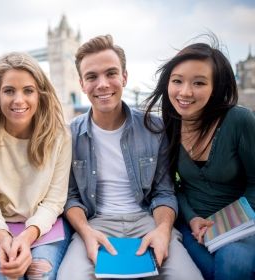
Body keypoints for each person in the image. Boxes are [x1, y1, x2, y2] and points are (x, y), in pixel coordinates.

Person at [57, 35, 203, 280]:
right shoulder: (69, 135)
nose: (102, 84)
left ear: (124, 77)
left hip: (147, 220)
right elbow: (70, 197)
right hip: (95, 223)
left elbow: (163, 192)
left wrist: (163, 230)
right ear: (82, 84)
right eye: (92, 77)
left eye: (111, 73)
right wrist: (85, 231)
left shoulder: (154, 128)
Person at [144, 38, 255, 279]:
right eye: (177, 81)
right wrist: (192, 218)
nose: (185, 92)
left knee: (233, 261)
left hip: (243, 226)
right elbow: (173, 186)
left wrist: (230, 223)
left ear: (216, 87)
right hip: (193, 227)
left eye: (199, 83)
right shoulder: (170, 125)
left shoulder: (239, 121)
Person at [0, 52, 72, 280]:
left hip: (45, 228)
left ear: (40, 95)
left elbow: (54, 202)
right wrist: (4, 238)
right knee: (4, 276)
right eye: (9, 91)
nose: (18, 100)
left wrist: (26, 238)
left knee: (40, 275)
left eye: (28, 90)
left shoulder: (60, 137)